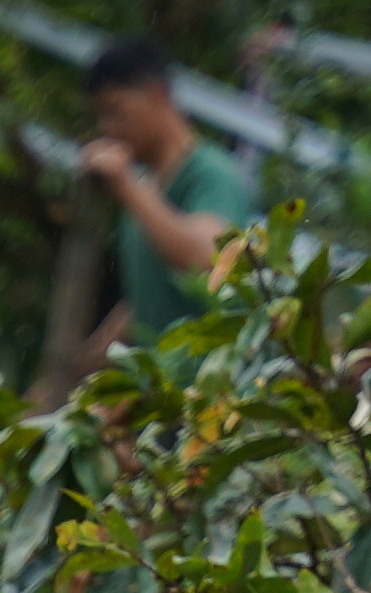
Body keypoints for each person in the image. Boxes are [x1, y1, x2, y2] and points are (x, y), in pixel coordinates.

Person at [75, 30, 263, 359]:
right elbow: (149, 296)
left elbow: (209, 259)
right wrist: (86, 363)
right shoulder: (147, 190)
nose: (108, 128)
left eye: (115, 110)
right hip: (163, 395)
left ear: (158, 95)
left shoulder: (211, 174)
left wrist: (127, 188)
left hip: (210, 395)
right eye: (100, 116)